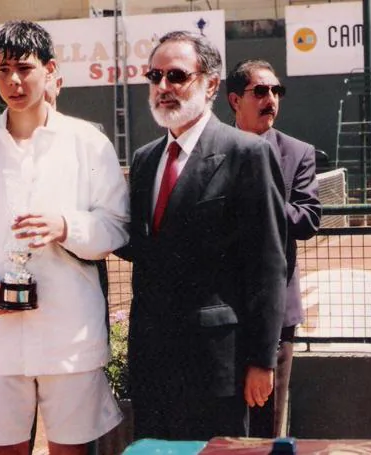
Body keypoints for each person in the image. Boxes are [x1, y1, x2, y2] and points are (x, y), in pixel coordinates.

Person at [0, 20, 129, 455]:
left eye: (24, 68)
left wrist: (66, 226)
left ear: (50, 69)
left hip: (69, 332)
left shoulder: (88, 143)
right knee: (4, 449)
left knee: (71, 450)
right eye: (2, 70)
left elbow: (115, 226)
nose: (13, 81)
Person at [118, 30, 287, 441]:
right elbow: (143, 248)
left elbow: (268, 265)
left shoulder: (247, 154)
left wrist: (263, 361)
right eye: (154, 76)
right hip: (153, 364)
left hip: (218, 368)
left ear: (211, 84)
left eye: (176, 76)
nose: (162, 87)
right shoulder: (145, 160)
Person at [226, 59, 321, 437]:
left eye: (276, 91)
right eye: (260, 91)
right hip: (221, 313)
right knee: (223, 427)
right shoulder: (213, 148)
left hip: (276, 315)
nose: (271, 99)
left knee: (267, 426)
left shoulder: (298, 153)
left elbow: (307, 220)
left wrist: (262, 197)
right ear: (235, 99)